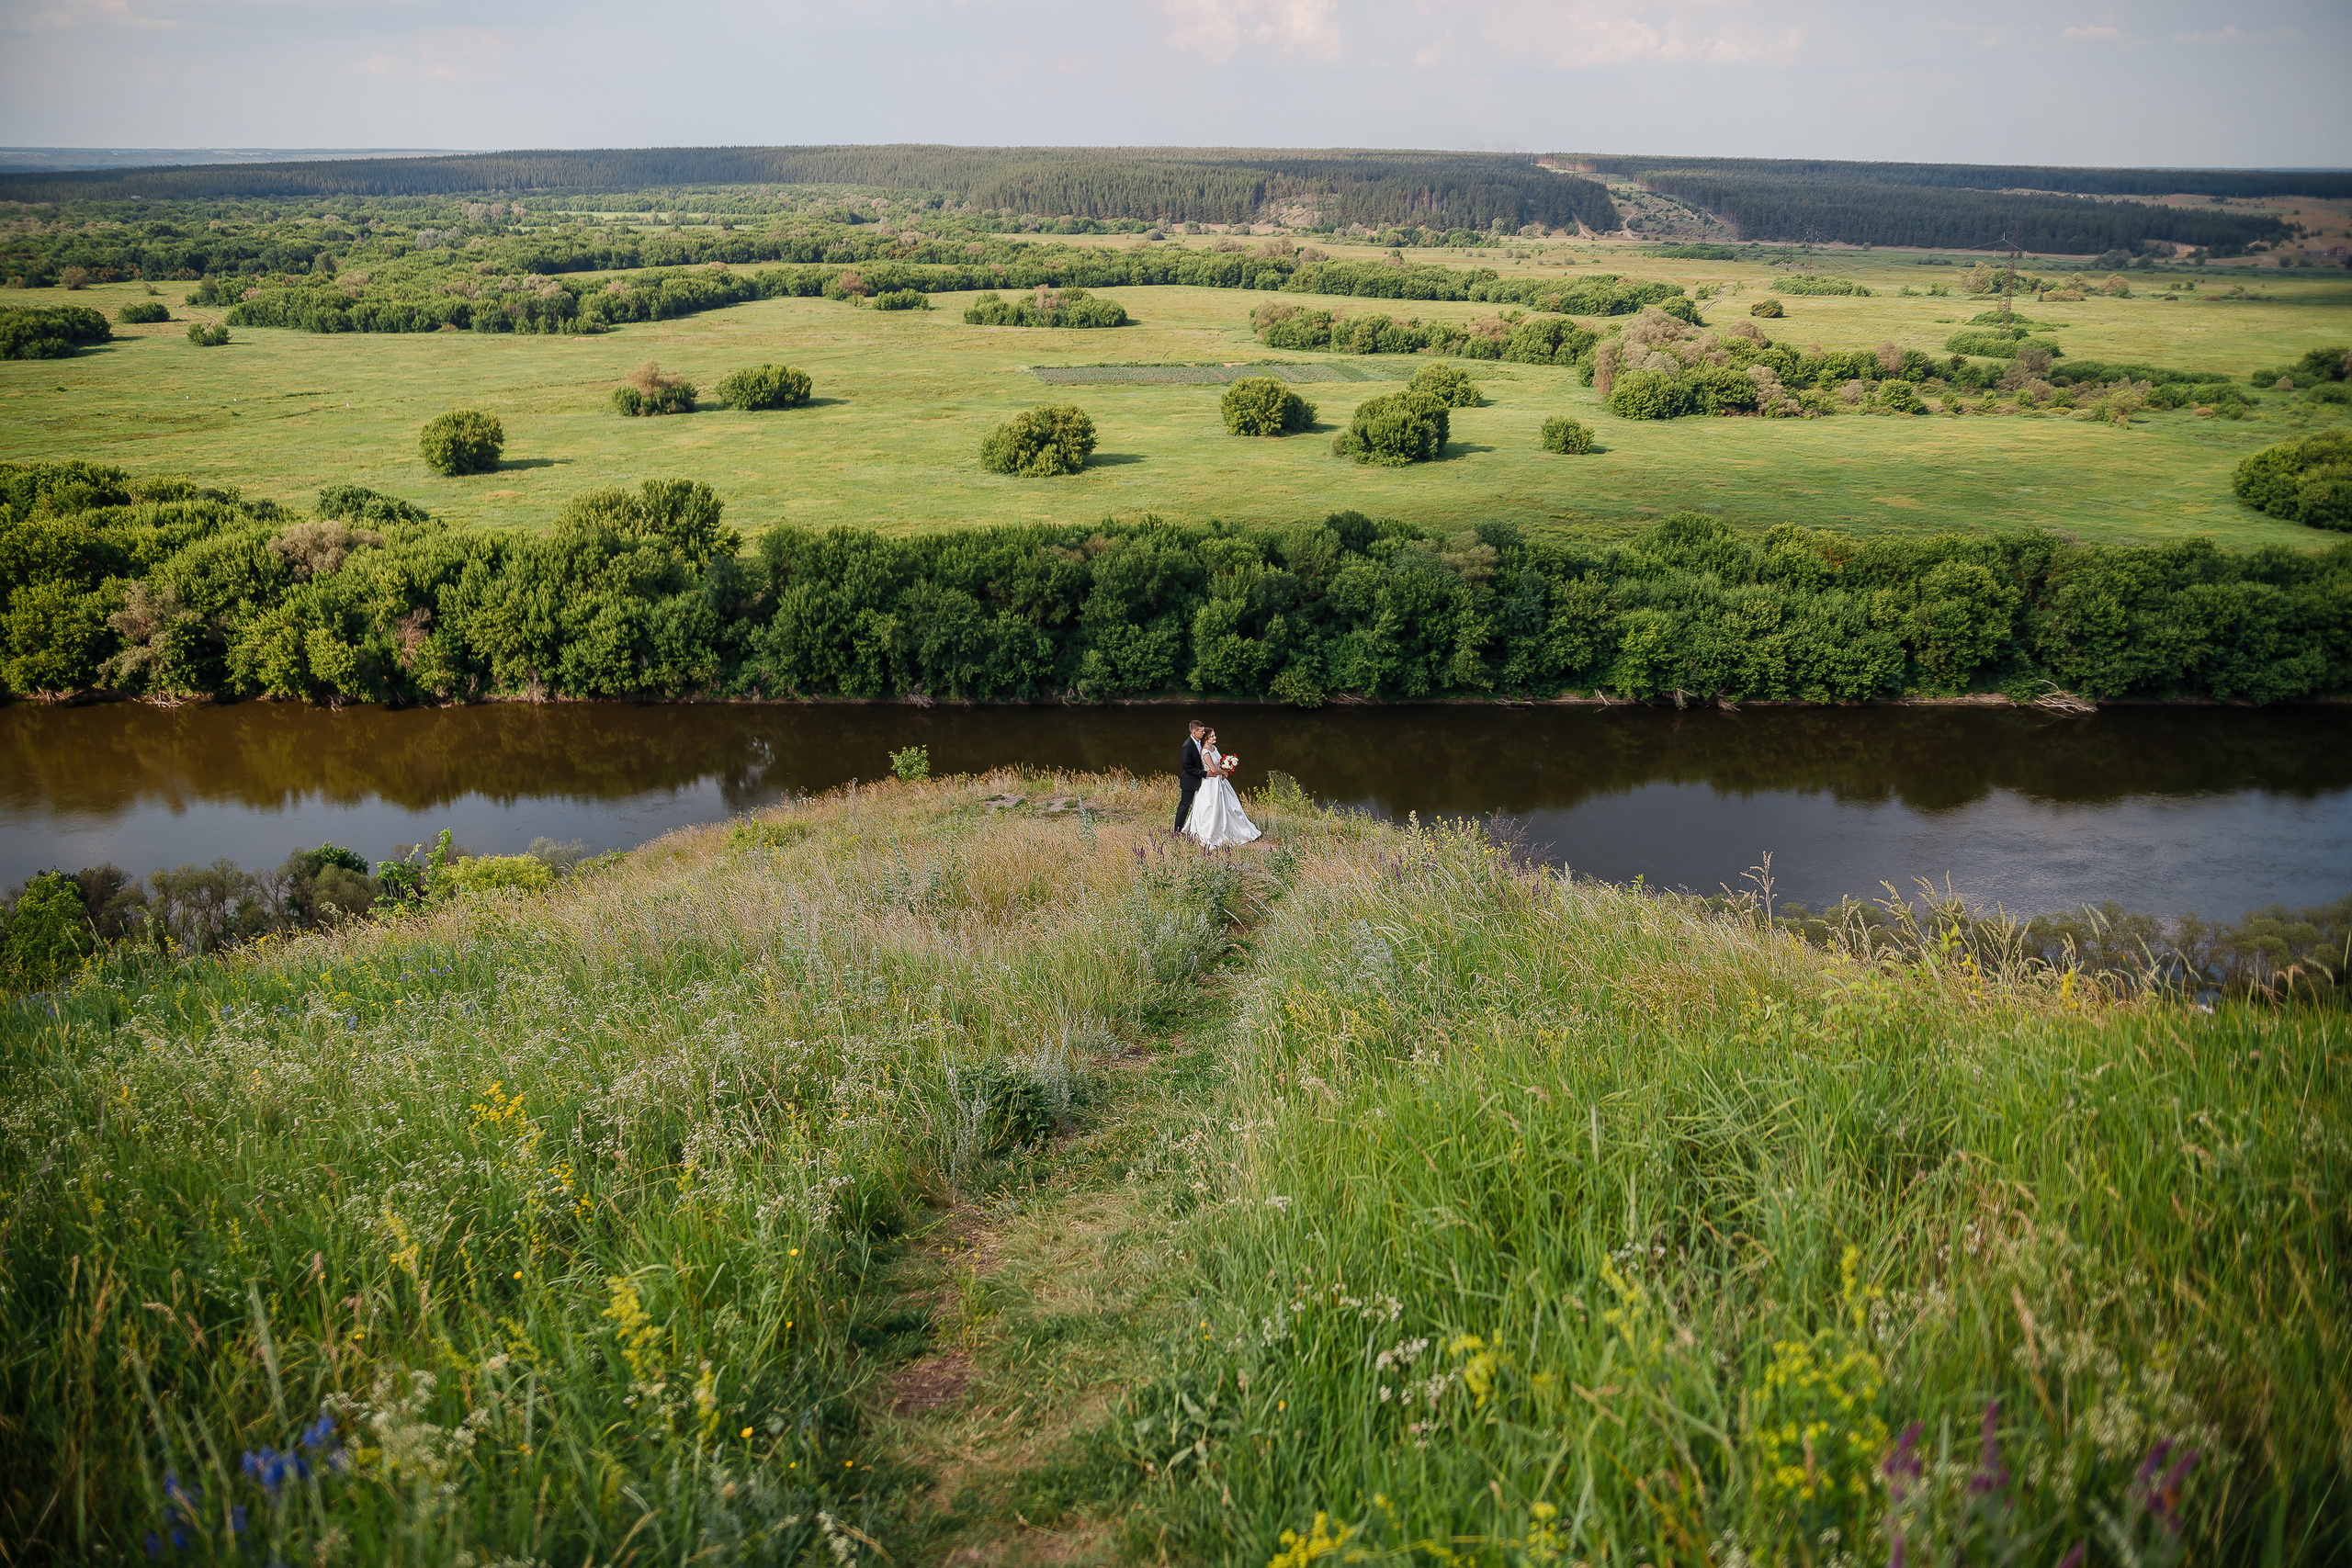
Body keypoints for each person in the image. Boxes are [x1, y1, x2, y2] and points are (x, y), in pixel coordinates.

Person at [1182, 726, 1262, 849]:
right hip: (1210, 783)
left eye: (1214, 735)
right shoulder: (1205, 752)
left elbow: (1219, 762)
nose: (1215, 737)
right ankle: (1213, 832)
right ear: (1206, 739)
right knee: (1211, 807)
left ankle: (1235, 828)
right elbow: (1213, 769)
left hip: (1220, 781)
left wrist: (1227, 766)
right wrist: (1224, 772)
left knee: (1231, 807)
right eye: (1212, 736)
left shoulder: (1214, 748)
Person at [1175, 718, 1208, 836]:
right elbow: (1187, 766)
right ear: (1194, 732)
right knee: (1184, 806)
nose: (1203, 733)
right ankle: (1177, 831)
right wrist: (1204, 774)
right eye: (1201, 731)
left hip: (1199, 780)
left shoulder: (1200, 742)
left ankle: (1196, 829)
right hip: (1189, 781)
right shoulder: (1187, 746)